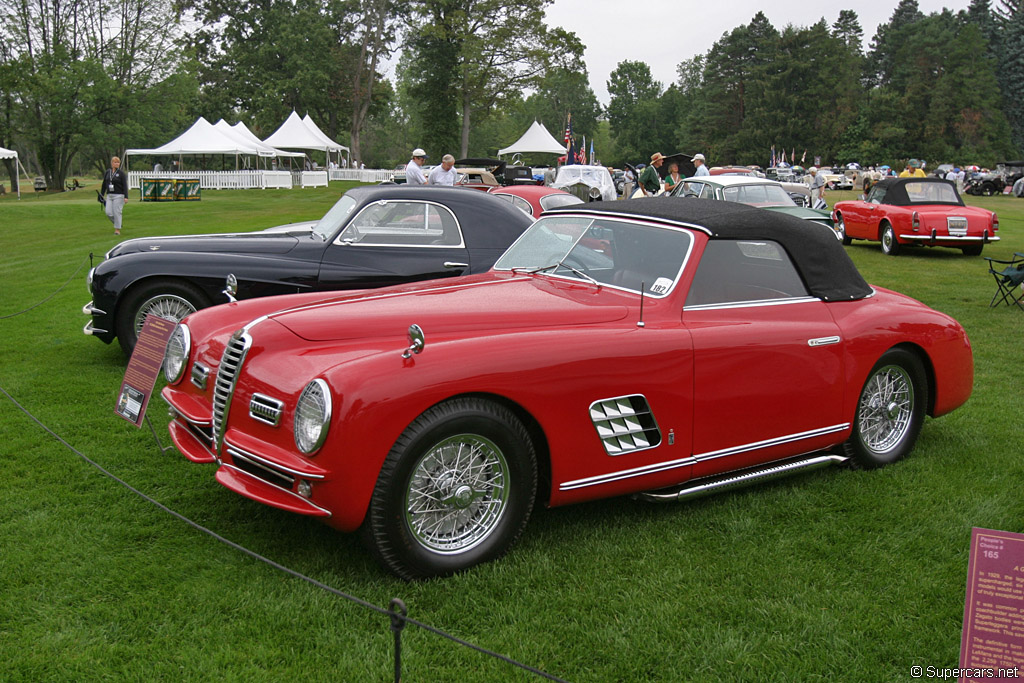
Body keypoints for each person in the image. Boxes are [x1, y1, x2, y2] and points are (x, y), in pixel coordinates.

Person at [101, 156, 128, 235]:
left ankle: (117, 230)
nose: (117, 164)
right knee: (108, 212)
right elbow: (104, 184)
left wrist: (126, 197)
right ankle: (118, 223)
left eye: (118, 162)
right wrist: (101, 194)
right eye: (115, 162)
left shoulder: (121, 173)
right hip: (110, 195)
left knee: (117, 212)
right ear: (112, 163)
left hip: (119, 195)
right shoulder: (108, 172)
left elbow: (125, 185)